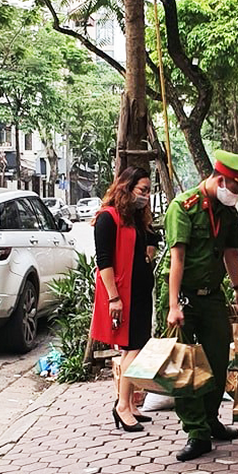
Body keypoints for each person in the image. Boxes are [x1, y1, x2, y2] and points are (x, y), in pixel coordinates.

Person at [163, 149, 238, 461]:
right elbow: (176, 260)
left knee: (218, 361)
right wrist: (173, 305)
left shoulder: (226, 211)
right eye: (236, 187)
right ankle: (196, 432)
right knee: (185, 366)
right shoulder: (184, 207)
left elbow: (231, 253)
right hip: (186, 299)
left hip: (214, 299)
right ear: (220, 179)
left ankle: (210, 420)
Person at [89, 167, 159, 432]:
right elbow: (104, 262)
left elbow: (149, 243)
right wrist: (114, 298)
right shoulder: (108, 218)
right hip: (123, 294)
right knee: (133, 349)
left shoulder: (134, 219)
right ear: (126, 188)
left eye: (149, 191)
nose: (146, 196)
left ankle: (129, 404)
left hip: (140, 292)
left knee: (138, 346)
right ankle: (121, 406)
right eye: (142, 190)